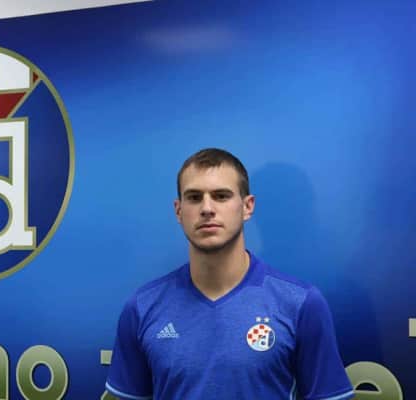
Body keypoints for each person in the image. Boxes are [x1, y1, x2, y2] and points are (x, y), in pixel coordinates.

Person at [105, 148, 354, 400]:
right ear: (178, 211)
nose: (207, 208)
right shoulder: (142, 307)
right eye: (194, 197)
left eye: (221, 196)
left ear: (247, 207)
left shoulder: (300, 304)